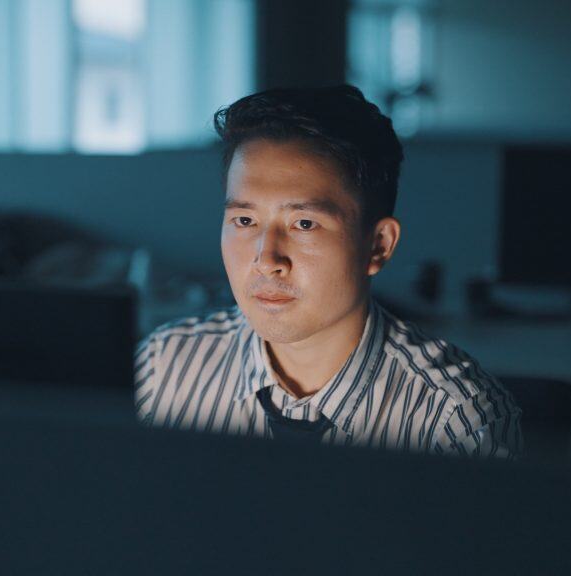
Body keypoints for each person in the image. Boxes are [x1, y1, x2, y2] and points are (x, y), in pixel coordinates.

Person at [134, 85, 522, 458]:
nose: (266, 259)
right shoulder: (164, 366)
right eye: (245, 220)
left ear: (378, 245)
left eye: (304, 223)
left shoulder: (455, 420)